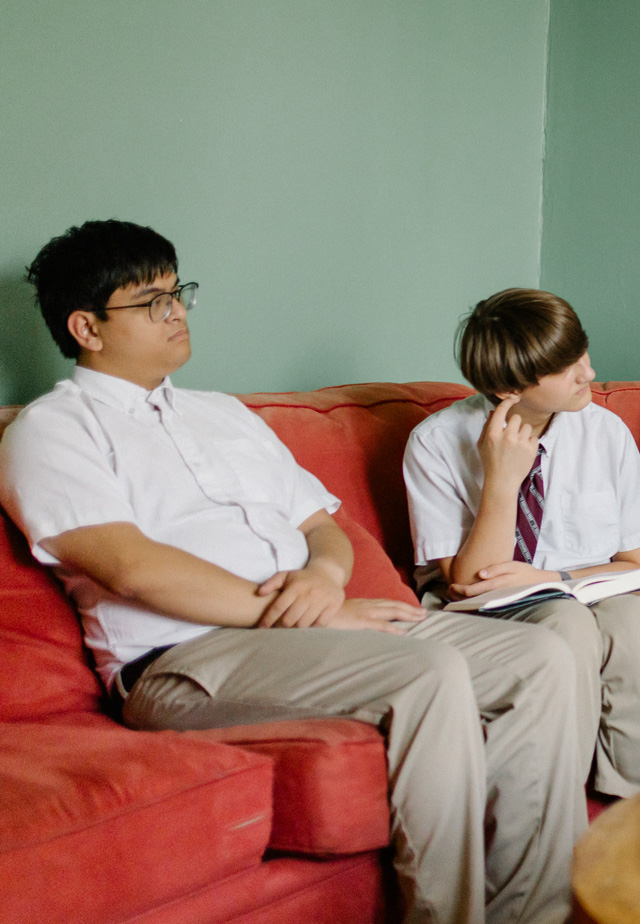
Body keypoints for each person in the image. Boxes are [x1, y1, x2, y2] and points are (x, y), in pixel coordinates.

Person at [0, 221, 584, 924]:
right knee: (427, 674)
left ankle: (534, 917)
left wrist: (327, 580)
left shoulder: (224, 415)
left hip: (308, 632)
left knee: (544, 658)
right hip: (184, 660)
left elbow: (321, 528)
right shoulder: (51, 431)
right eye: (151, 301)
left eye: (177, 290)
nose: (178, 310)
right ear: (86, 328)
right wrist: (320, 612)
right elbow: (130, 567)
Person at [403, 287, 640, 798]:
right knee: (564, 622)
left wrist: (554, 579)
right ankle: (555, 810)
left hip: (584, 591)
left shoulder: (605, 433)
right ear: (510, 387)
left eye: (582, 353)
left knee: (638, 621)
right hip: (483, 612)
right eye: (566, 368)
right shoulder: (436, 442)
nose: (588, 374)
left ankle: (635, 808)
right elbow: (467, 583)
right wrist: (502, 481)